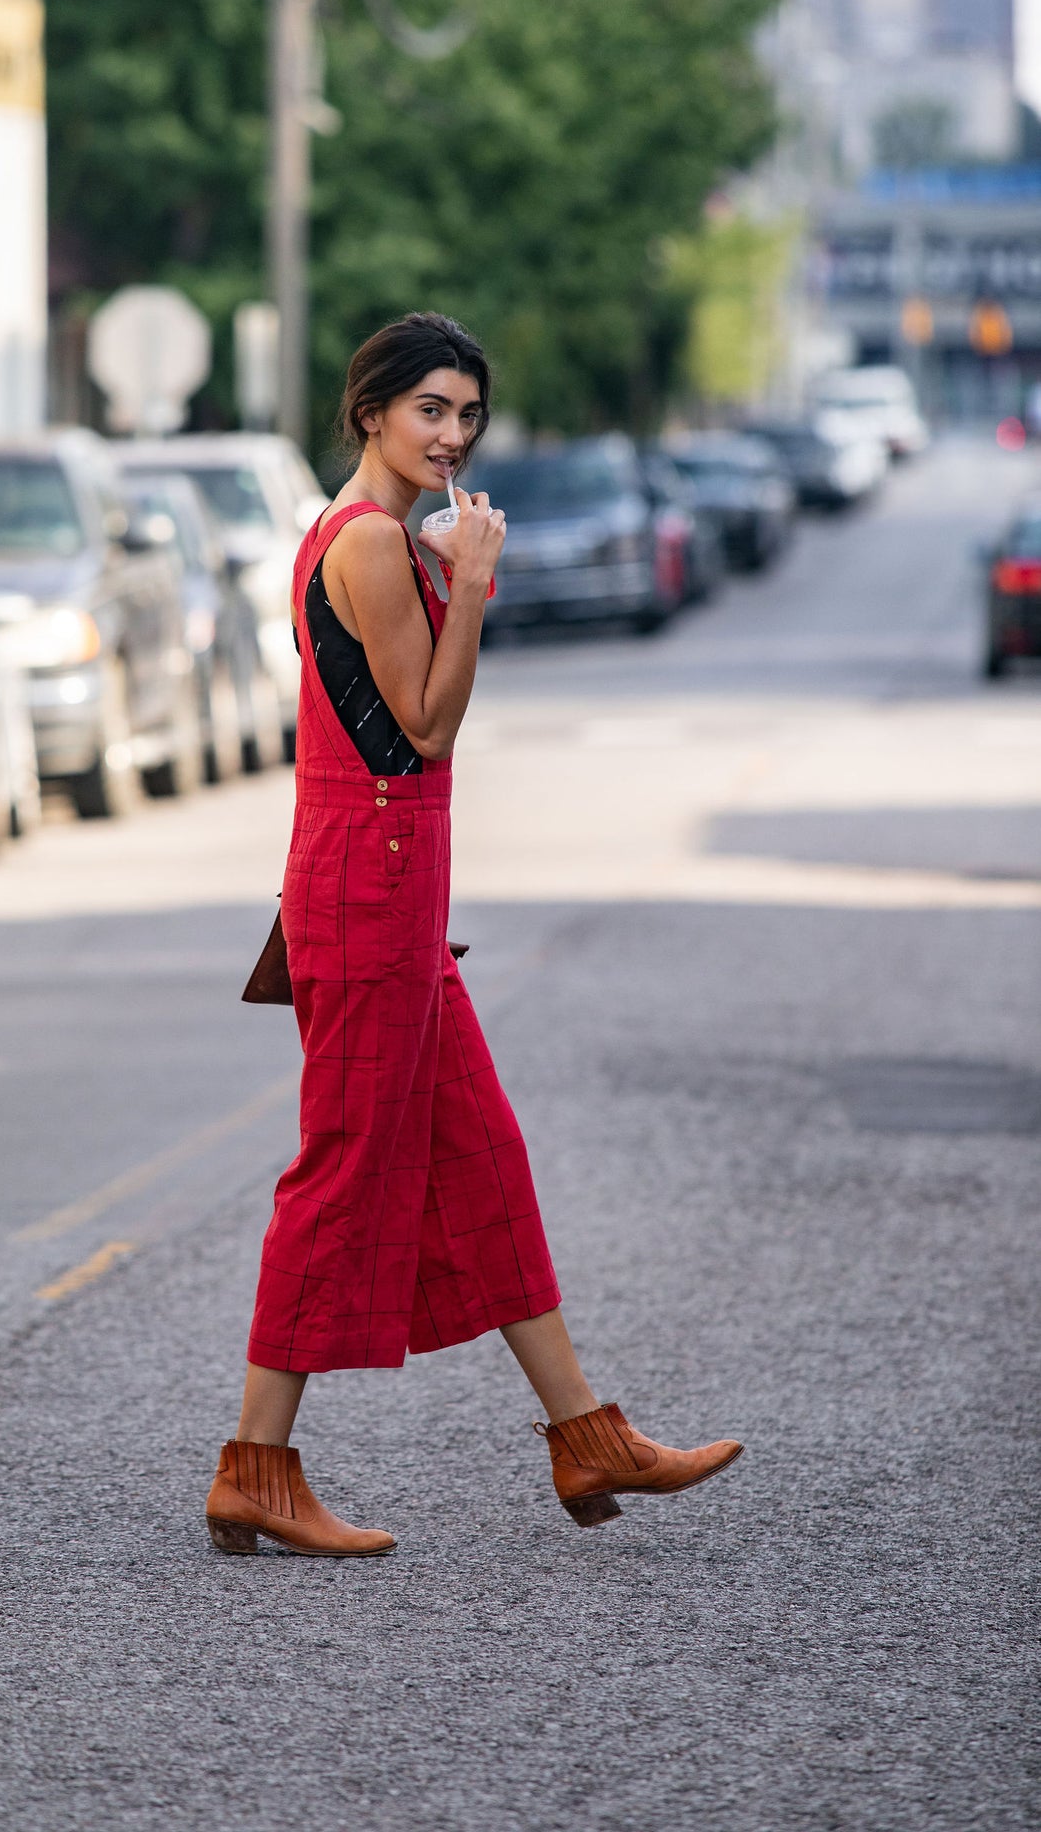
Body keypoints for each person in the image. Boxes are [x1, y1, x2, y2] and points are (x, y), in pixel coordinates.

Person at [205, 313, 742, 1556]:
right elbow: (429, 726)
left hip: (385, 884)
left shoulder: (368, 535)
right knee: (338, 1166)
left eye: (464, 414)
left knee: (485, 1160)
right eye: (428, 410)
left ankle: (584, 1433)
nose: (450, 435)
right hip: (369, 885)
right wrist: (479, 586)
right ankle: (255, 1463)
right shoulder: (368, 544)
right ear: (368, 412)